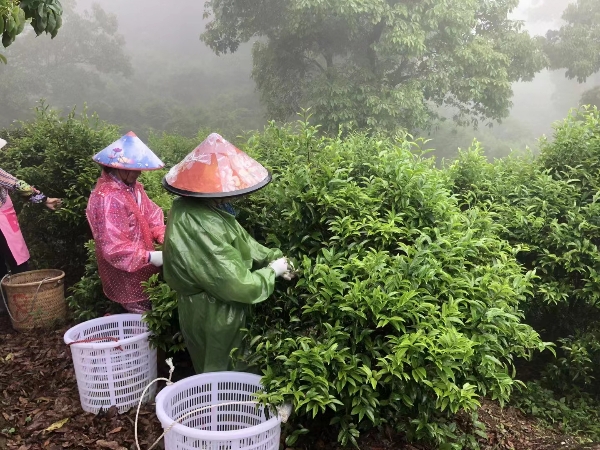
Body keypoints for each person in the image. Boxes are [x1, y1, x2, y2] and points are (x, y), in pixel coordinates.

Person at [162, 133, 295, 374]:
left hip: (213, 307)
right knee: (220, 370)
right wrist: (271, 273)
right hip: (212, 311)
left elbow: (245, 243)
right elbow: (236, 283)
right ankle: (220, 412)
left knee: (227, 367)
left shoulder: (207, 209)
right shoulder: (199, 222)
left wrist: (274, 257)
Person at [86, 131, 166, 314]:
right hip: (126, 272)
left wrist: (162, 234)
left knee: (150, 310)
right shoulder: (108, 197)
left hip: (144, 263)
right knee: (141, 318)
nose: (139, 173)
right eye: (135, 168)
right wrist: (149, 257)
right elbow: (113, 246)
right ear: (121, 168)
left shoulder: (133, 188)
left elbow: (151, 215)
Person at [0, 138, 61, 280]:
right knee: (17, 263)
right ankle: (20, 297)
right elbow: (17, 185)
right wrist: (44, 199)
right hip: (2, 226)